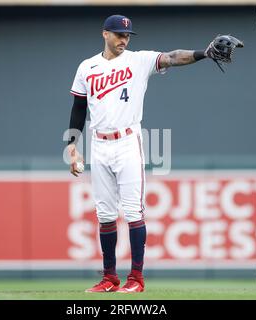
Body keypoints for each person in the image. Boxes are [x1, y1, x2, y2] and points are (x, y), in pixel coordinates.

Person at [67, 14, 212, 293]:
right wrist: (72, 146)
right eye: (119, 34)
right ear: (105, 34)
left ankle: (136, 278)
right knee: (105, 214)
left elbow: (172, 57)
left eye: (128, 35)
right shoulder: (87, 67)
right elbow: (78, 108)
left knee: (133, 211)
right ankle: (109, 278)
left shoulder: (138, 60)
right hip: (98, 144)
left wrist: (202, 53)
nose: (125, 39)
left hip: (127, 142)